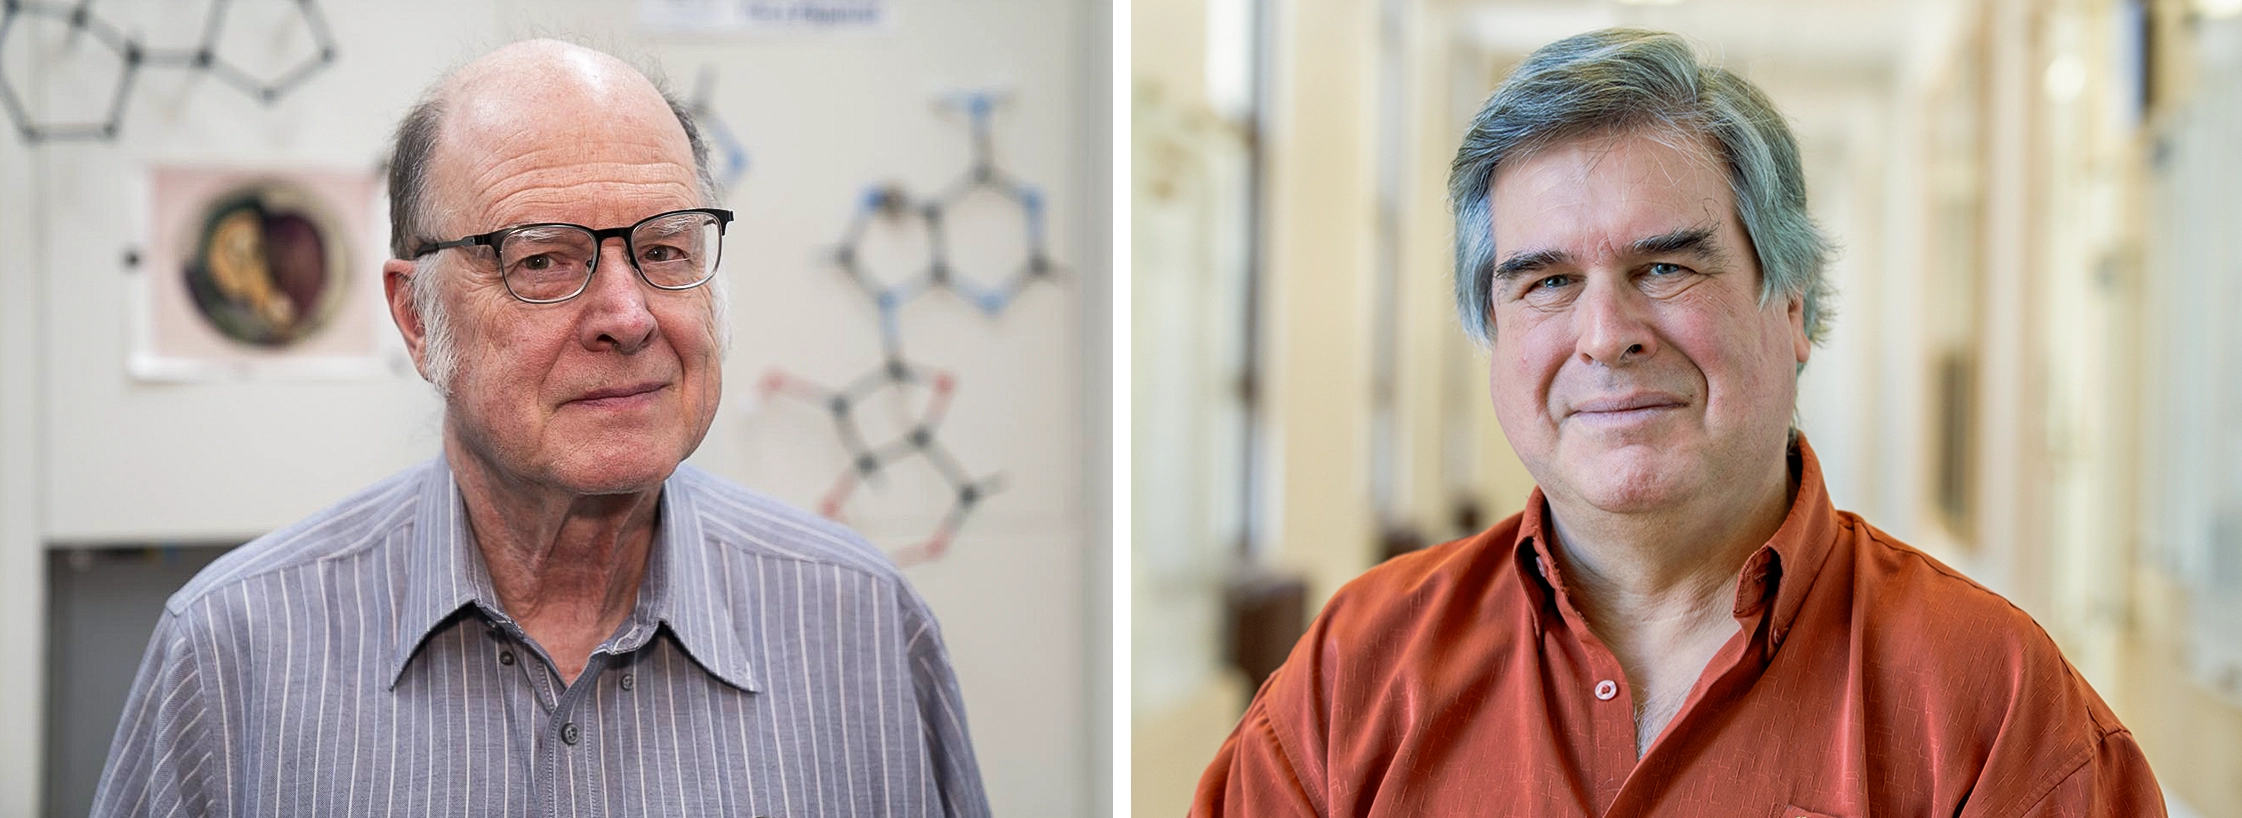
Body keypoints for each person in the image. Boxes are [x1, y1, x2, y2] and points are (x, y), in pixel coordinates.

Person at [1193, 28, 2163, 817]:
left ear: (1791, 307)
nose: (1605, 334)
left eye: (1665, 266)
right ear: (1492, 330)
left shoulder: (1991, 702)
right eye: (1547, 281)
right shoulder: (1354, 675)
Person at [91, 40, 988, 817]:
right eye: (545, 259)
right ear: (416, 320)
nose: (629, 316)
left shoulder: (864, 626)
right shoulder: (236, 652)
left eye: (666, 249)